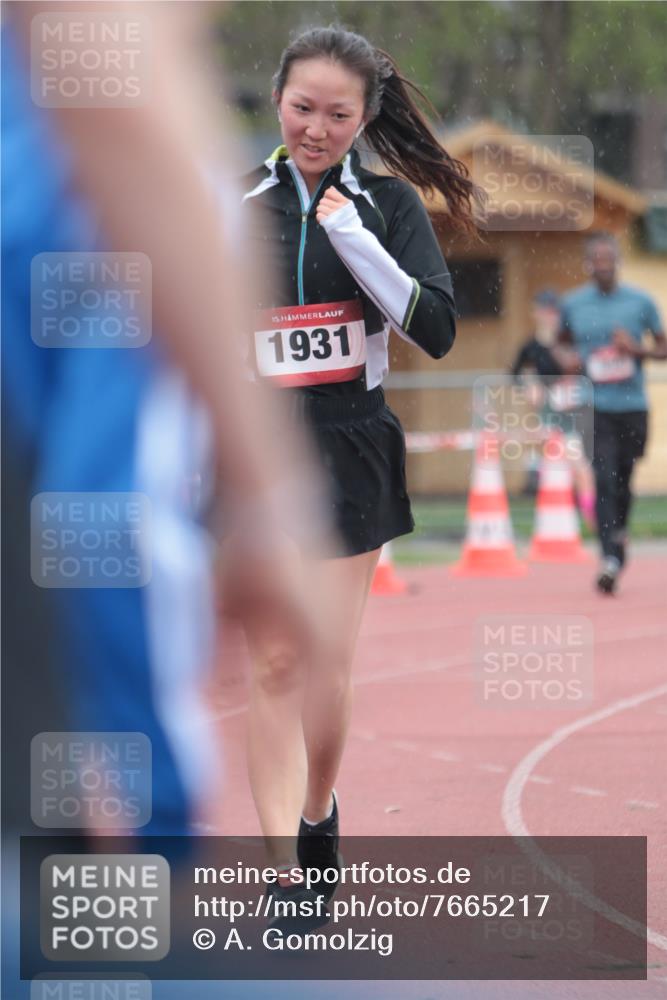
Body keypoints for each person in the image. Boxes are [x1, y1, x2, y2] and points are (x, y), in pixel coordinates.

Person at [239, 25, 479, 926]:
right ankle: (282, 876)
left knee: (323, 665)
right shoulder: (236, 203)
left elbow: (438, 330)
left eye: (337, 115)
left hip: (351, 444)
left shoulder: (387, 207)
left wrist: (354, 235)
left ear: (364, 118)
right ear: (276, 103)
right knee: (271, 658)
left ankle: (315, 815)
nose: (316, 128)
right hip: (260, 453)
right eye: (302, 108)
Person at [559, 232, 667, 593]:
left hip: (633, 406)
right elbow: (559, 345)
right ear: (588, 265)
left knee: (624, 478)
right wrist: (569, 361)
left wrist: (635, 349)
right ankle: (609, 557)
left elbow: (662, 347)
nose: (603, 265)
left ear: (618, 261)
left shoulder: (640, 301)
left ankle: (618, 534)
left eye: (609, 258)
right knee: (603, 477)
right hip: (595, 407)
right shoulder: (574, 304)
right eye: (597, 259)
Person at [511, 290, 596, 525]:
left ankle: (590, 514)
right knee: (549, 452)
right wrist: (528, 385)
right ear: (535, 313)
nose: (548, 316)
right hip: (547, 411)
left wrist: (573, 381)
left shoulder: (569, 341)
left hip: (573, 411)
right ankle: (549, 497)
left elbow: (585, 371)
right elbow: (515, 373)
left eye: (552, 312)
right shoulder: (530, 346)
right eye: (543, 311)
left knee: (579, 463)